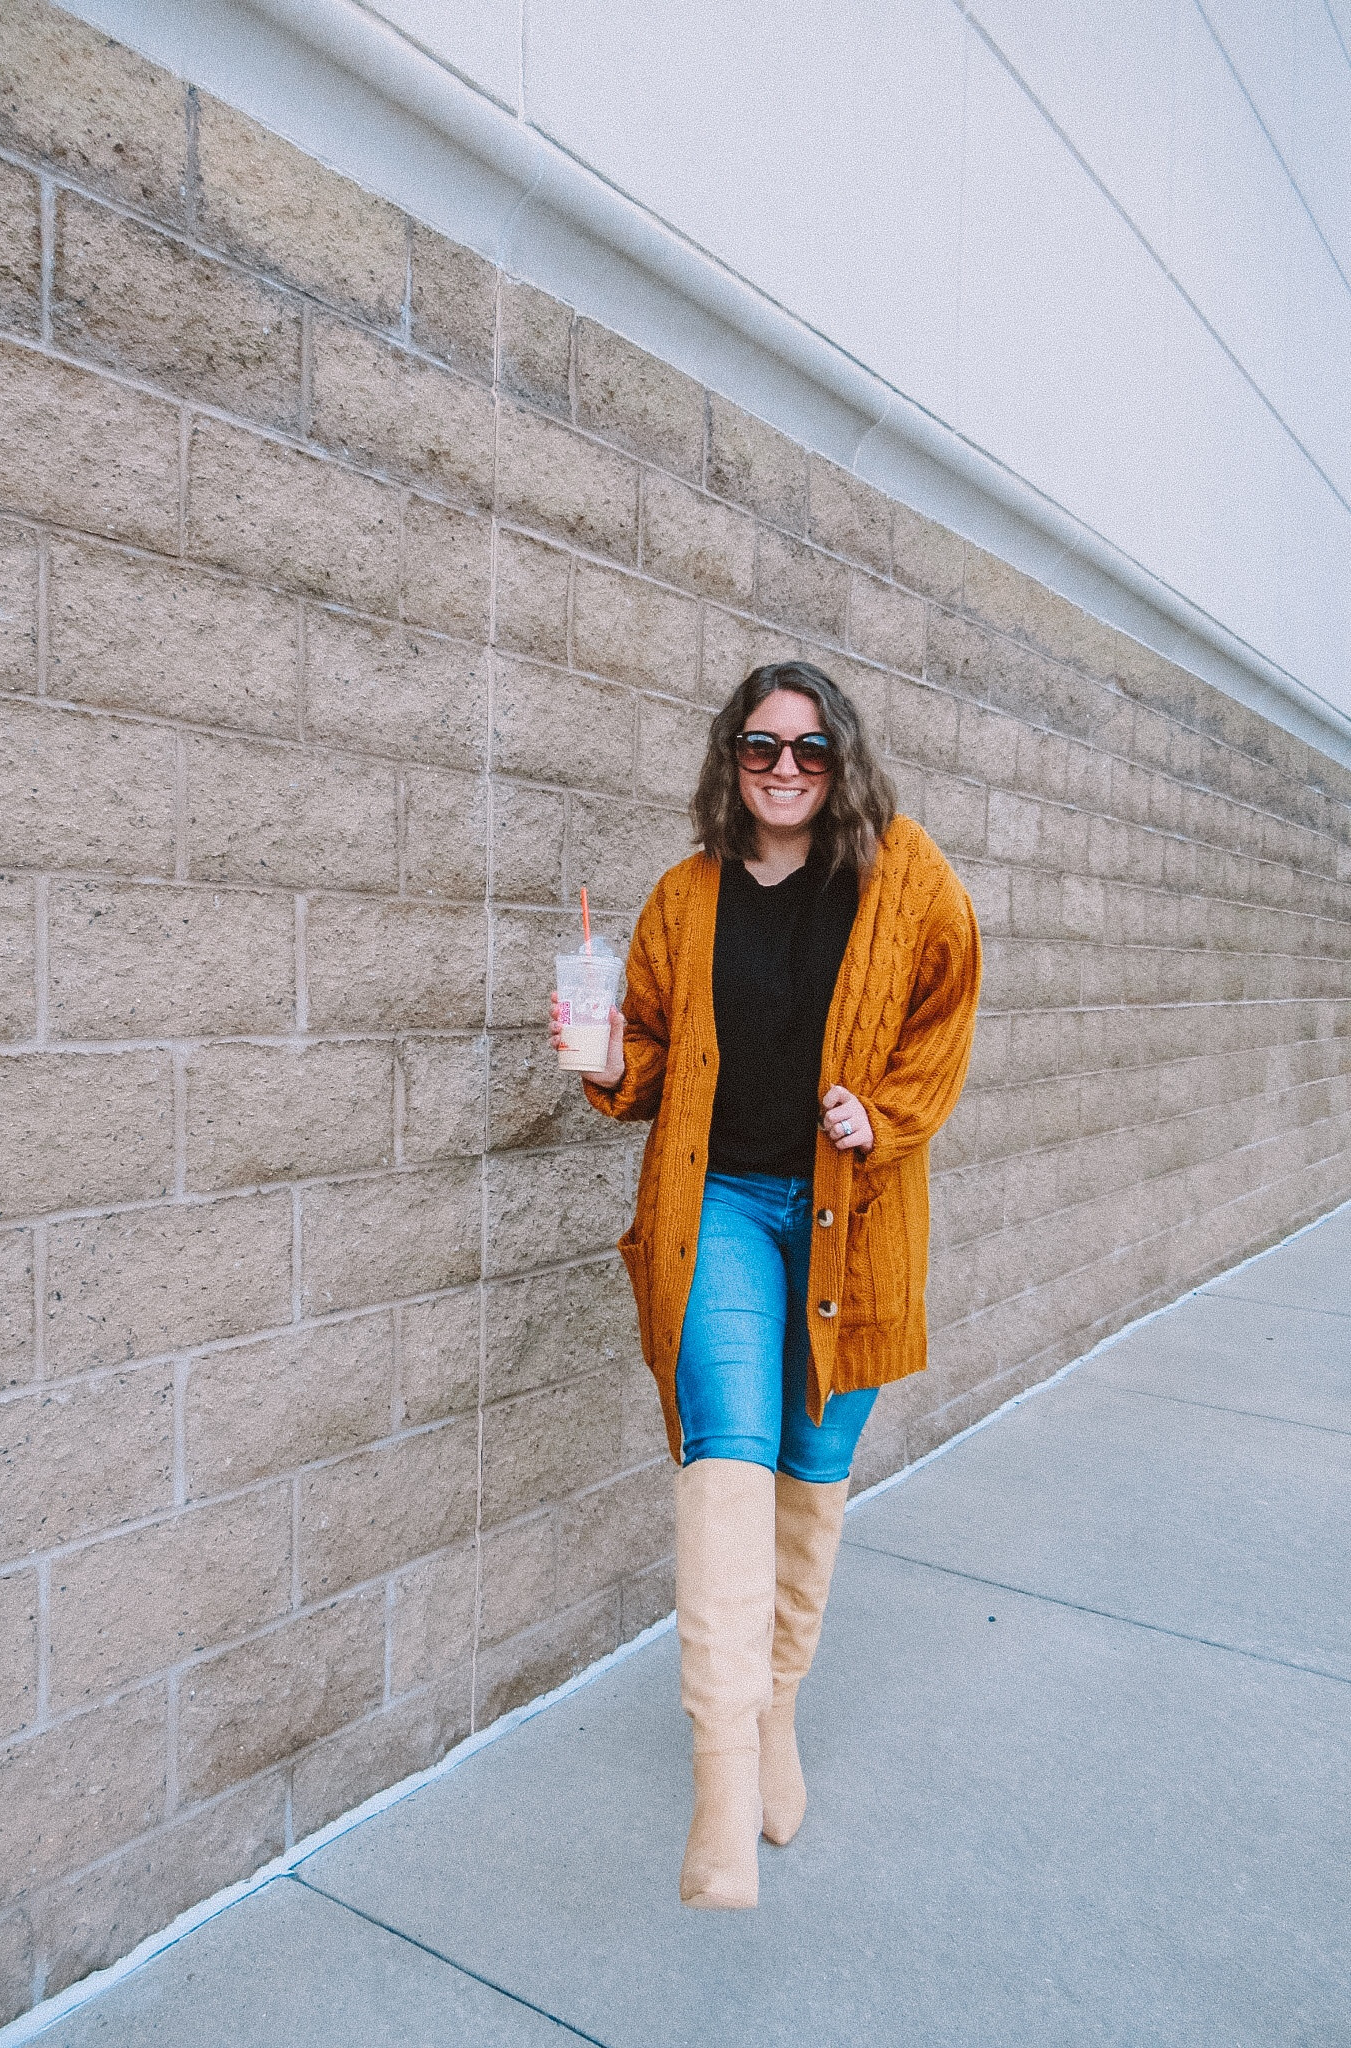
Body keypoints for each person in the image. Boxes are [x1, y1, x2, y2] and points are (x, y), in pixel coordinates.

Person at [549, 660, 981, 1910]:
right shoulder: (683, 898)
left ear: (842, 758)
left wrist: (884, 1109)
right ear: (727, 759)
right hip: (722, 1205)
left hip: (855, 1218)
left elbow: (948, 1007)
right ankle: (723, 1777)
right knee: (728, 1455)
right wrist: (598, 1047)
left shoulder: (905, 875)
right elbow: (640, 1061)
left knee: (811, 1464)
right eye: (759, 746)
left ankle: (779, 1703)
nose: (784, 769)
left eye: (808, 748)